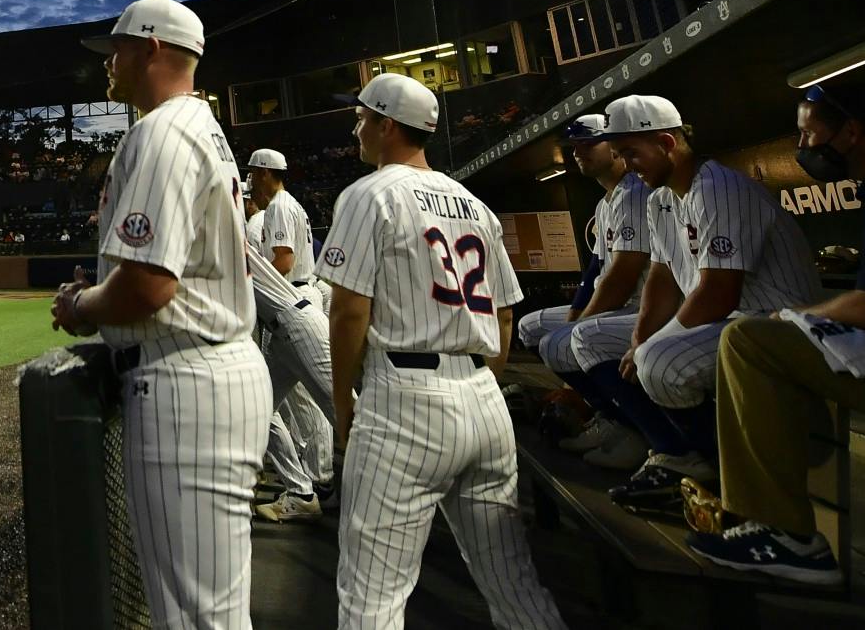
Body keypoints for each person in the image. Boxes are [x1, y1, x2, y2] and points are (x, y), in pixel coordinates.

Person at [51, 0, 269, 628]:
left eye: (115, 49)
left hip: (185, 383)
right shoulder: (203, 126)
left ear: (150, 47)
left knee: (192, 616)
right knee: (214, 609)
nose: (107, 64)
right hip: (217, 370)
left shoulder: (163, 130)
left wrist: (80, 305)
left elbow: (147, 286)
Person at [322, 73, 566, 630]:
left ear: (387, 125)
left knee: (372, 594)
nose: (357, 128)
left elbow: (349, 310)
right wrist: (481, 381)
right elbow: (505, 315)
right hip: (483, 398)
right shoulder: (473, 204)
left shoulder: (369, 194)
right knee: (515, 585)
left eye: (362, 118)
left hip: (404, 400)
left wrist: (342, 403)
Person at [688, 82, 865, 583]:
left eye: (809, 135)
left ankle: (782, 532)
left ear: (851, 133)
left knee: (750, 340)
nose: (802, 147)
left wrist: (797, 314)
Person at [566, 94, 820, 511]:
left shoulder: (717, 188)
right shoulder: (660, 199)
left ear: (667, 142)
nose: (627, 165)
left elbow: (719, 291)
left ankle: (721, 474)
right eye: (620, 154)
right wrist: (639, 337)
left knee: (662, 362)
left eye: (631, 152)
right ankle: (675, 450)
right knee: (591, 339)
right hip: (730, 322)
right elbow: (662, 280)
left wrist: (650, 346)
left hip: (778, 323)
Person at [521, 114, 651, 468]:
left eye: (589, 143)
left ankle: (637, 429)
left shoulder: (636, 193)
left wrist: (579, 323)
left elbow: (623, 274)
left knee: (563, 341)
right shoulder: (605, 202)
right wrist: (577, 314)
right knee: (530, 327)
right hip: (618, 307)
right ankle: (607, 414)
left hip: (644, 306)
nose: (579, 152)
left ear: (616, 146)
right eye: (574, 146)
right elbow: (594, 271)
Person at [247, 229, 337, 524]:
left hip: (299, 323)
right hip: (280, 333)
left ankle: (408, 484)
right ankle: (301, 493)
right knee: (258, 410)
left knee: (349, 416)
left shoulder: (221, 240)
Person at [248, 150, 314, 286]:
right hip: (300, 288)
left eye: (253, 172)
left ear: (264, 173)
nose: (251, 177)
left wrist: (255, 284)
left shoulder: (279, 206)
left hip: (294, 291)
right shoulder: (287, 201)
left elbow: (284, 262)